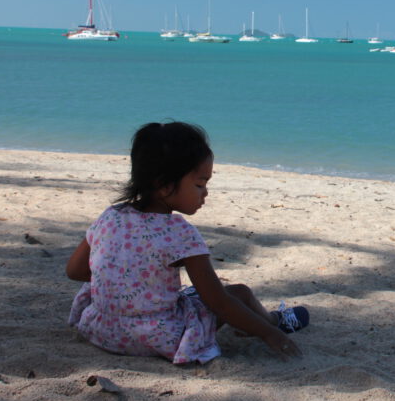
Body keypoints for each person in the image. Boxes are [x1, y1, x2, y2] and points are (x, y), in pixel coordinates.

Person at [66, 121, 308, 364]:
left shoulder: (111, 215)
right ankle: (275, 323)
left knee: (189, 294)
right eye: (200, 184)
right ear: (164, 186)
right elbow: (218, 302)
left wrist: (129, 283)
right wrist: (270, 336)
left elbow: (75, 271)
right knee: (240, 293)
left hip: (102, 330)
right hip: (159, 337)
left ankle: (266, 322)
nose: (205, 193)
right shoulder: (180, 232)